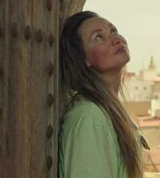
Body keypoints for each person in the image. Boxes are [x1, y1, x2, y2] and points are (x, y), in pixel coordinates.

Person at [58, 11, 149, 178]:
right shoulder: (89, 118)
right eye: (98, 37)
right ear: (83, 59)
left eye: (113, 31)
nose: (116, 39)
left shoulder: (108, 111)